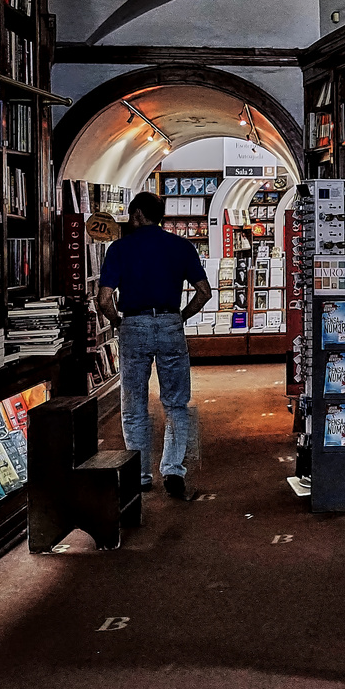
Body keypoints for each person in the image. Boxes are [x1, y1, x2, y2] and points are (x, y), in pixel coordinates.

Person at [97, 192, 213, 498]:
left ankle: (140, 475)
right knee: (176, 402)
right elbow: (203, 291)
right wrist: (180, 317)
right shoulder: (181, 246)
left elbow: (104, 299)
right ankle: (173, 469)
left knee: (133, 402)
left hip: (133, 324)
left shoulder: (119, 249)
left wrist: (118, 322)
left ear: (136, 214)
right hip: (169, 323)